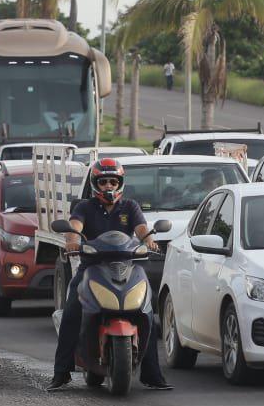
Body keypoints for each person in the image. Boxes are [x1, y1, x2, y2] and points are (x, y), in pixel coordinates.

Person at [48, 158, 172, 392]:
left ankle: (153, 375)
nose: (108, 186)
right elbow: (75, 228)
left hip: (127, 267)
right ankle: (60, 373)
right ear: (95, 184)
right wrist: (72, 242)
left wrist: (150, 241)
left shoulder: (130, 207)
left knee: (147, 312)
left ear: (120, 183)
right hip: (91, 268)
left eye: (113, 181)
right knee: (72, 311)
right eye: (103, 181)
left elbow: (142, 229)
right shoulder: (83, 207)